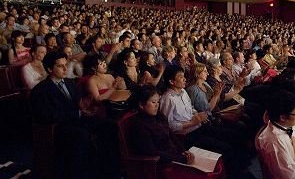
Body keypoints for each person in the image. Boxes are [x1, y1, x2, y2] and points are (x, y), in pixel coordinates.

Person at [29, 51, 119, 179]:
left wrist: (86, 108)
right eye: (60, 66)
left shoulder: (70, 83)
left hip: (79, 120)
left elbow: (79, 104)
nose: (66, 68)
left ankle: (107, 170)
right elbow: (47, 115)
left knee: (110, 125)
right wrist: (77, 113)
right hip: (60, 127)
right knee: (81, 135)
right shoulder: (41, 90)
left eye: (66, 65)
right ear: (49, 69)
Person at [130, 85, 194, 165]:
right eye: (153, 102)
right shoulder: (139, 125)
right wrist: (181, 159)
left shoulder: (158, 115)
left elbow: (171, 134)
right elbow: (152, 153)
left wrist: (183, 151)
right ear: (141, 105)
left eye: (158, 102)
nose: (157, 105)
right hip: (163, 162)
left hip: (175, 156)